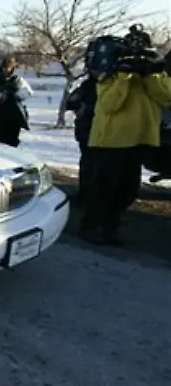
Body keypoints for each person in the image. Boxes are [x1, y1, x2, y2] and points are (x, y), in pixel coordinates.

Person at [80, 45, 171, 245]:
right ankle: (91, 227)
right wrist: (124, 75)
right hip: (111, 141)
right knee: (105, 188)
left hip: (140, 140)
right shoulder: (109, 77)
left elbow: (166, 98)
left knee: (128, 190)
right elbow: (110, 104)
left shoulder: (155, 77)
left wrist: (152, 75)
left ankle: (110, 227)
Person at [0, 56, 33, 147]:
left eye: (9, 67)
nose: (7, 70)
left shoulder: (18, 81)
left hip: (14, 115)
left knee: (12, 140)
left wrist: (16, 94)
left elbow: (28, 92)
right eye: (5, 68)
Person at [67, 71, 98, 204]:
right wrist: (84, 108)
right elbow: (70, 102)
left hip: (92, 130)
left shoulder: (89, 85)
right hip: (88, 130)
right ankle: (86, 194)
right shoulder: (88, 85)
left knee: (90, 163)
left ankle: (87, 194)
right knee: (89, 163)